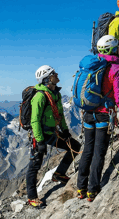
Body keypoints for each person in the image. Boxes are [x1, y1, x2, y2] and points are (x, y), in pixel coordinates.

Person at [77, 35, 119, 202]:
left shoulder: (93, 64)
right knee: (99, 152)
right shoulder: (115, 69)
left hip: (89, 113)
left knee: (87, 151)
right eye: (117, 46)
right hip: (104, 114)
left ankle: (81, 188)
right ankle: (93, 189)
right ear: (113, 49)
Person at [26, 65, 81, 207]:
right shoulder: (40, 96)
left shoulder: (55, 93)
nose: (57, 74)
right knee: (35, 165)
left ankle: (59, 174)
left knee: (74, 146)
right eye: (53, 73)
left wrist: (65, 131)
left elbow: (60, 115)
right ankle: (32, 197)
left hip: (52, 132)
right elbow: (35, 120)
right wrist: (39, 141)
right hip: (41, 134)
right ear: (47, 78)